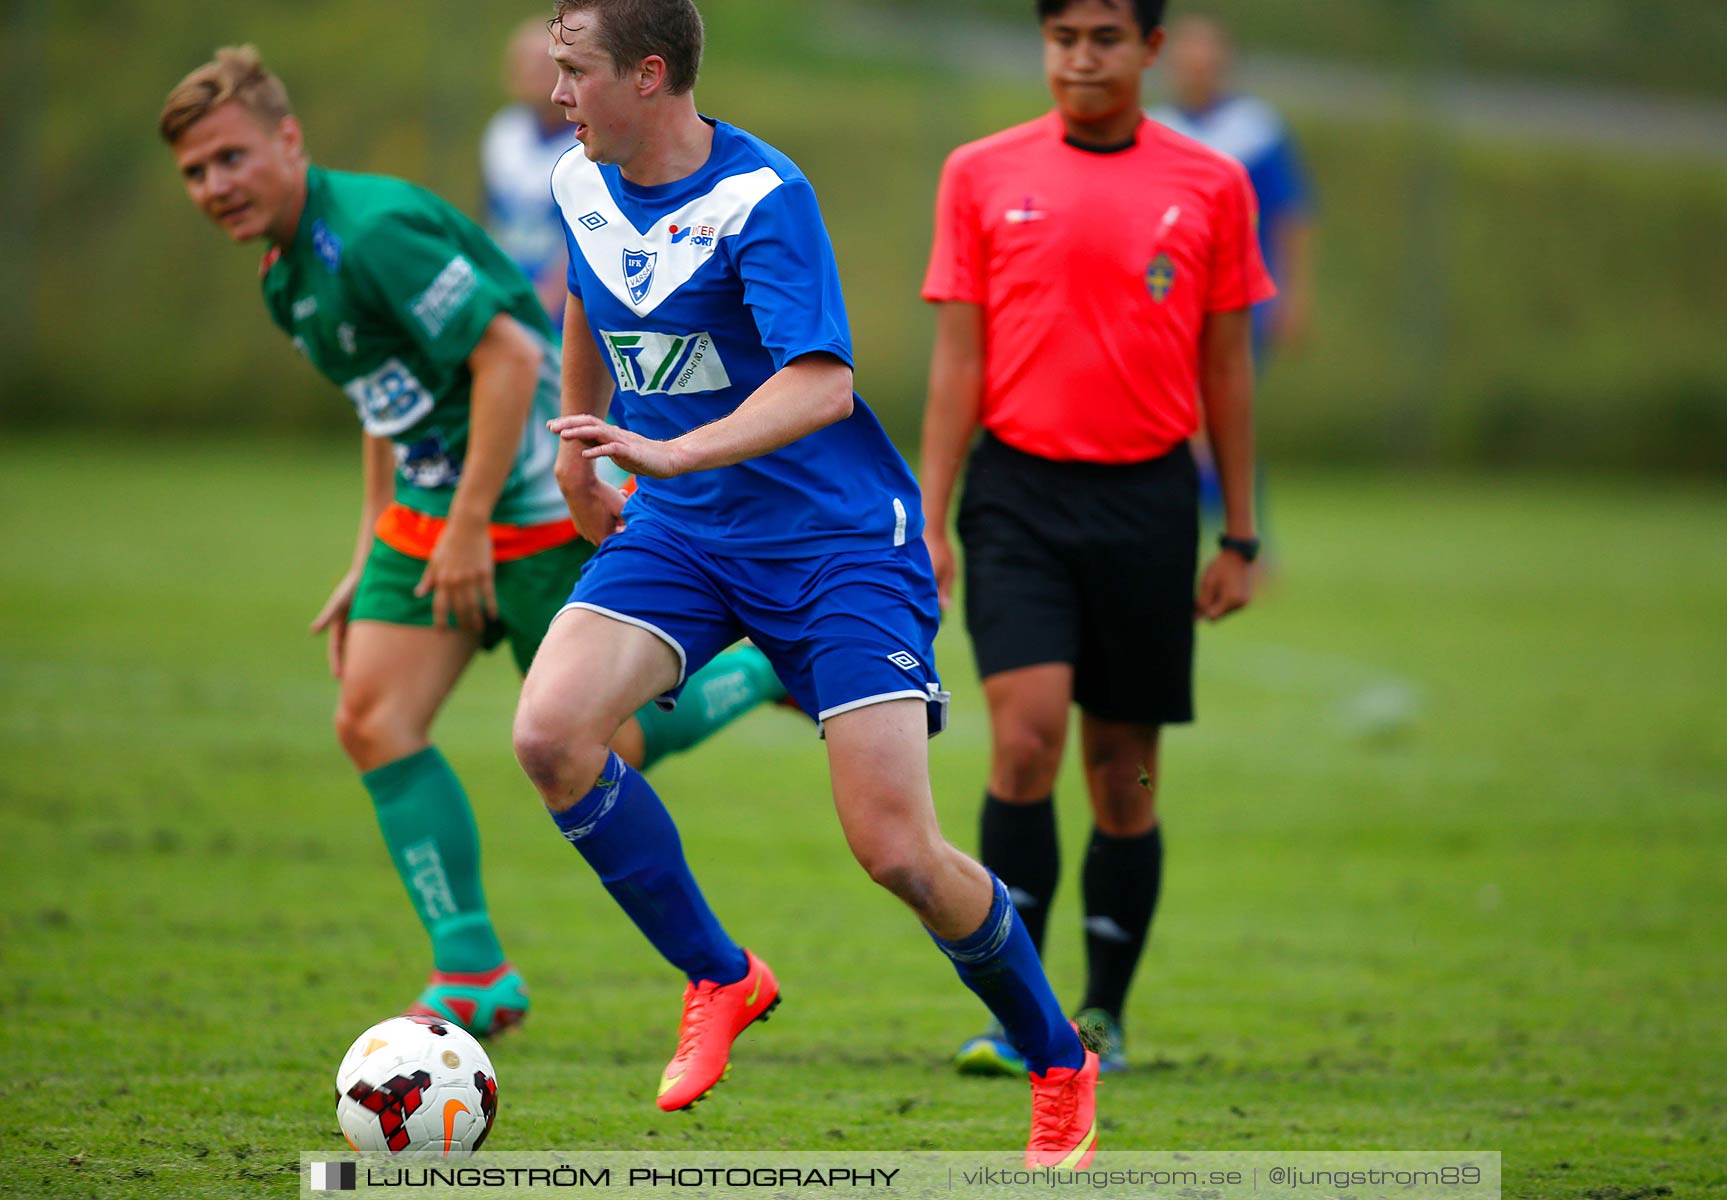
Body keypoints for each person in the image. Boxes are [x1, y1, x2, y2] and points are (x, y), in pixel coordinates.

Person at [508, 0, 1099, 1167]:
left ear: (652, 73)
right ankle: (721, 978)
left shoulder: (762, 198)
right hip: (683, 531)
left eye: (575, 70)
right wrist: (575, 451)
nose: (556, 91)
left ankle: (1059, 1058)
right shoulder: (578, 179)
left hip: (836, 544)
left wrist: (670, 448)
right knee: (551, 733)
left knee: (896, 851)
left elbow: (821, 386)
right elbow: (584, 292)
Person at [160, 45, 784, 1037]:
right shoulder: (287, 273)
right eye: (196, 172)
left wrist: (465, 531)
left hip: (536, 500)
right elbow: (389, 402)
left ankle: (757, 673)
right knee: (371, 717)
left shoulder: (371, 233)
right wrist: (374, 544)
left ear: (288, 140)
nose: (215, 186)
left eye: (232, 158)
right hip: (437, 508)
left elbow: (507, 359)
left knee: (605, 743)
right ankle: (472, 972)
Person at [919, 0, 1273, 1077]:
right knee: (1024, 739)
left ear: (1150, 50)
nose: (1082, 58)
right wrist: (929, 518)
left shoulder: (1212, 183)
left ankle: (1105, 1014)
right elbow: (957, 362)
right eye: (1064, 37)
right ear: (1045, 45)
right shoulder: (978, 172)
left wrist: (1241, 534)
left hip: (1149, 505)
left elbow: (1226, 369)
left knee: (1126, 773)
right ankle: (1024, 1019)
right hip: (1017, 496)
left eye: (1106, 39)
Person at [1150, 15, 1316, 365]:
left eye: (1206, 60)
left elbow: (1288, 215)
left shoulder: (1256, 131)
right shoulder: (1152, 129)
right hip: (1167, 298)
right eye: (1187, 59)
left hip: (1242, 300)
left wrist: (1293, 296)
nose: (1197, 69)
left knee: (1224, 406)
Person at [482, 18, 580, 325]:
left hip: (568, 308)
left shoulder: (589, 140)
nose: (533, 72)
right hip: (512, 294)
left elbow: (591, 238)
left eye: (545, 62)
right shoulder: (503, 130)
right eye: (524, 62)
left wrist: (548, 298)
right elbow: (491, 218)